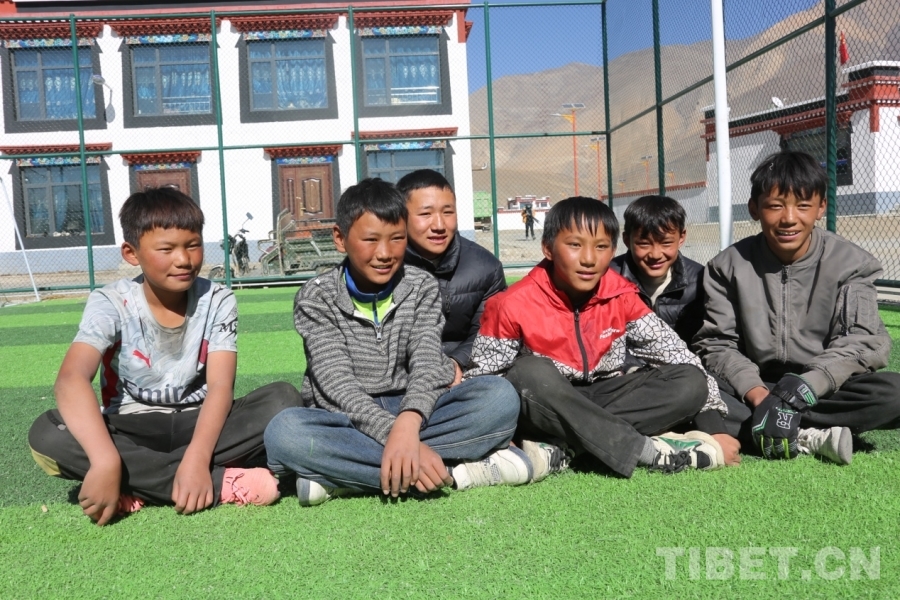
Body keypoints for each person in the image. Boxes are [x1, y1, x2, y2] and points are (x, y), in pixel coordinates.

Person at [28, 187, 301, 526]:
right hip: (130, 428)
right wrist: (104, 461)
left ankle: (139, 482)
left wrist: (197, 458)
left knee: (283, 400)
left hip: (200, 425)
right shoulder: (111, 301)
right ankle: (221, 482)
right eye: (167, 249)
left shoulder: (218, 299)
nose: (184, 259)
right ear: (131, 253)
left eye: (193, 245)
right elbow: (71, 379)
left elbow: (220, 386)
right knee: (47, 433)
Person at [264, 179, 544, 507]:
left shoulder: (422, 285)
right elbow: (336, 384)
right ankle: (455, 473)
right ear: (340, 239)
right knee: (285, 432)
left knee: (499, 398)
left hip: (415, 406)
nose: (385, 253)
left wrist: (408, 424)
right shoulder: (317, 296)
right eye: (371, 240)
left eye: (397, 239)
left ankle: (342, 477)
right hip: (346, 417)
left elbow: (427, 362)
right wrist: (395, 435)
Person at [466, 196, 732, 477]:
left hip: (604, 395)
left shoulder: (621, 296)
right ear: (548, 248)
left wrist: (714, 428)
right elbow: (483, 380)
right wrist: (500, 433)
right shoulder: (512, 303)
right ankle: (644, 451)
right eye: (575, 245)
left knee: (690, 380)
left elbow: (677, 355)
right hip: (545, 404)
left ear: (614, 250)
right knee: (528, 372)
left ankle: (567, 447)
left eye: (601, 247)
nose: (589, 259)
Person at [694, 150, 900, 464]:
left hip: (823, 386)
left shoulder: (853, 263)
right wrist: (760, 395)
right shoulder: (726, 266)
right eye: (775, 205)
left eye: (803, 205)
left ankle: (767, 428)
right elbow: (717, 344)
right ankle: (808, 435)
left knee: (893, 393)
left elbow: (862, 341)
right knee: (694, 389)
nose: (789, 218)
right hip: (755, 386)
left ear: (821, 207)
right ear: (754, 209)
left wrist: (803, 389)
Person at [396, 169, 507, 386]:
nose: (439, 225)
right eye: (425, 214)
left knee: (501, 393)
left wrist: (458, 362)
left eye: (448, 212)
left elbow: (488, 331)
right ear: (401, 218)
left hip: (463, 373)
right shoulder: (384, 265)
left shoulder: (486, 267)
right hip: (402, 376)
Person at [609, 195, 705, 346]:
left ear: (681, 237)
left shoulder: (700, 281)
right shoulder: (608, 280)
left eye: (666, 243)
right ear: (627, 240)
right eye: (644, 244)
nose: (655, 254)